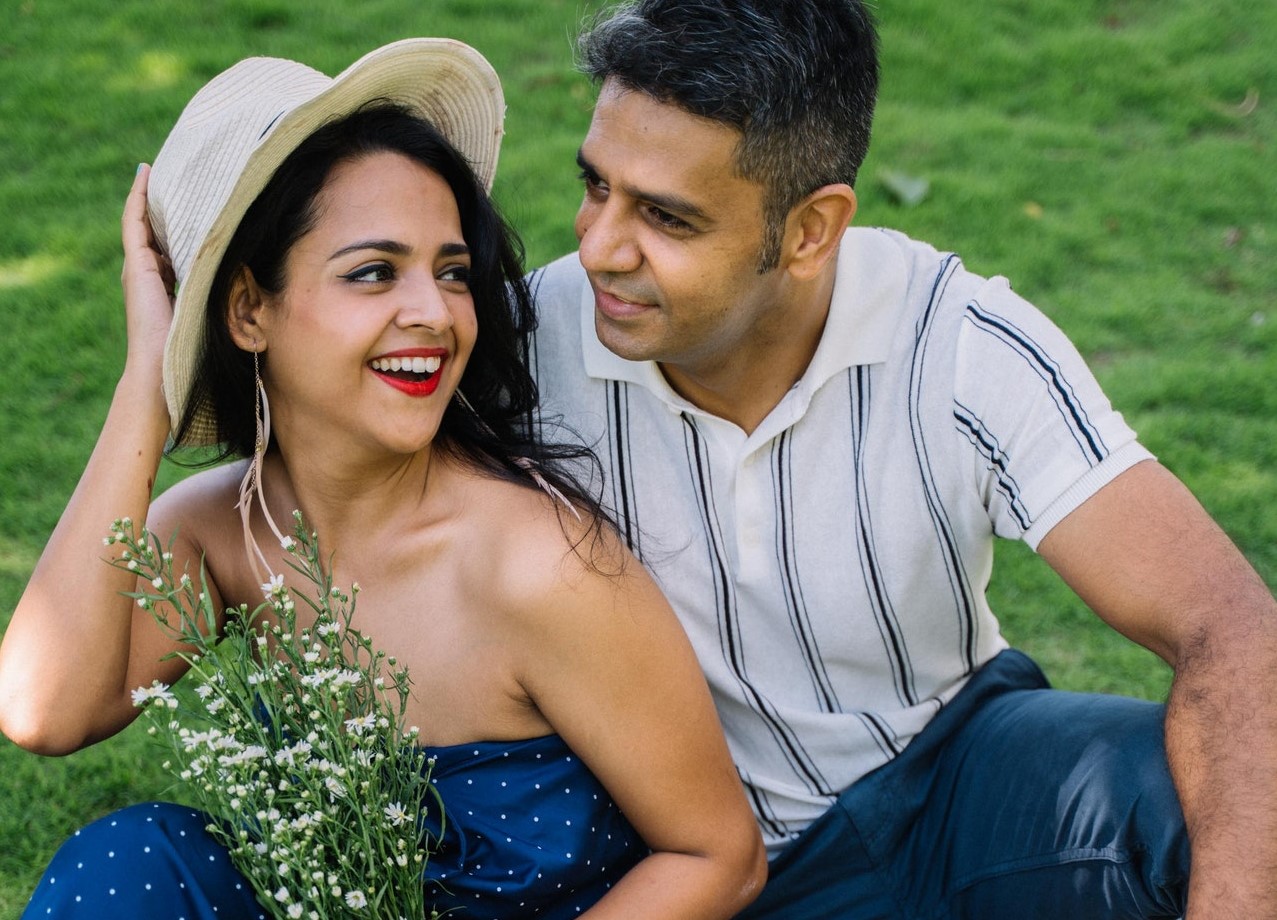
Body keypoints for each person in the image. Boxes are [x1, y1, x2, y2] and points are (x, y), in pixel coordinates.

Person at [526, 1, 1277, 917]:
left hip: (956, 780)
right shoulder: (522, 347)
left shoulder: (960, 343)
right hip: (688, 860)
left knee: (1219, 801)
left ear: (810, 230)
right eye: (596, 184)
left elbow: (1232, 630)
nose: (598, 246)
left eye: (666, 218)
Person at [0, 38, 766, 919]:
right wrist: (147, 385)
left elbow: (716, 855)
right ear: (249, 309)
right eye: (372, 272)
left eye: (450, 272)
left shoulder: (536, 566)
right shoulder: (227, 531)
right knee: (133, 862)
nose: (433, 313)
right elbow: (43, 712)